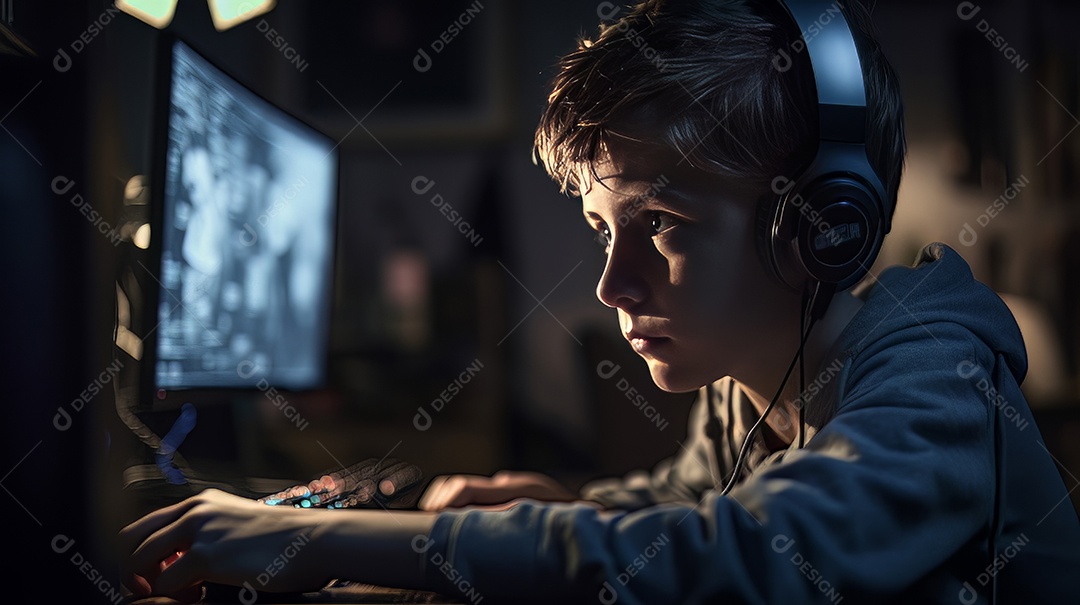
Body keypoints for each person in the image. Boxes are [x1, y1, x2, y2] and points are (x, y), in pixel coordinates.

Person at [120, 1, 1080, 603]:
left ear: (822, 225)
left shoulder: (937, 380)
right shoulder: (757, 376)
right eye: (599, 230)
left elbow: (742, 554)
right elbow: (681, 500)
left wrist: (321, 537)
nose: (613, 286)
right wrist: (564, 503)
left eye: (661, 222)